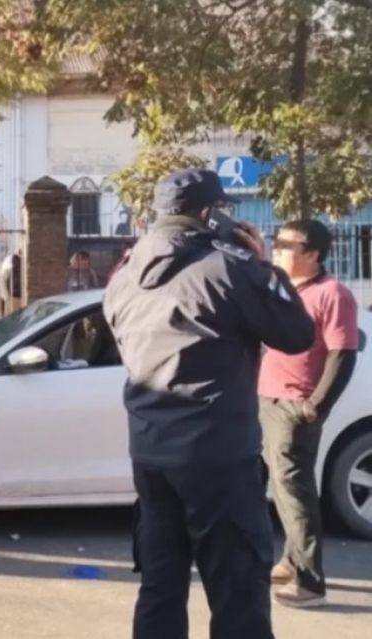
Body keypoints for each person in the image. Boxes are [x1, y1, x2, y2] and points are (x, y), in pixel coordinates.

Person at [104, 168, 316, 639]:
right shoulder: (231, 267)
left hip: (151, 453)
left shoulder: (125, 275)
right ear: (209, 212)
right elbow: (298, 335)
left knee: (160, 585)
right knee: (238, 588)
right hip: (217, 454)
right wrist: (264, 264)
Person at [260, 219, 358, 608]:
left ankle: (310, 581)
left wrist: (316, 404)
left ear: (313, 254)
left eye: (287, 244)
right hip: (268, 398)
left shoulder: (333, 294)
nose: (277, 248)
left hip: (295, 405)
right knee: (282, 490)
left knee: (295, 490)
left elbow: (343, 354)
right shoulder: (285, 288)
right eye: (276, 241)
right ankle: (290, 560)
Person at [0, 249, 23, 316]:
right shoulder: (11, 259)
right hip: (13, 298)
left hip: (23, 298)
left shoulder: (25, 259)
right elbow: (1, 279)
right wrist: (7, 298)